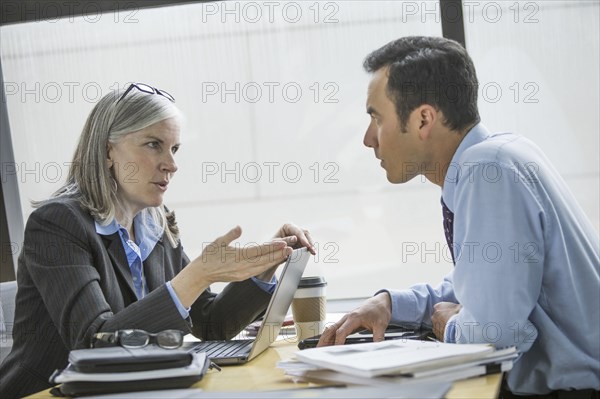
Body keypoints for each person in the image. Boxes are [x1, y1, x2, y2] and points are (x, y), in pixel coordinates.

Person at [318, 36, 600, 398]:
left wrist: (450, 324)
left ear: (423, 119)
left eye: (376, 118)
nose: (368, 139)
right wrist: (389, 302)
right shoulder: (500, 156)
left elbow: (496, 333)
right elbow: (484, 285)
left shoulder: (487, 172)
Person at [0, 83, 315, 398]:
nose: (171, 164)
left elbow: (209, 323)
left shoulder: (154, 221)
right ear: (108, 151)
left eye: (174, 148)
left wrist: (264, 266)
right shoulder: (57, 224)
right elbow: (94, 343)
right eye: (154, 144)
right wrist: (198, 275)